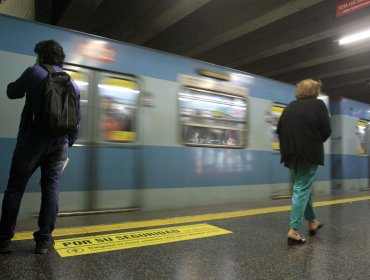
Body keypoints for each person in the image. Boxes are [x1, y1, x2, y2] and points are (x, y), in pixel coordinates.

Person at [0, 40, 80, 254]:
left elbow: (12, 92)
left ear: (41, 56)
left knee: (15, 189)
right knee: (51, 190)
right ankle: (44, 240)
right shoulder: (72, 82)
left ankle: (4, 239)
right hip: (60, 143)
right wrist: (66, 143)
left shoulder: (34, 72)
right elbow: (76, 119)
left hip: (32, 141)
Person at [276, 79, 331, 246]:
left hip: (290, 153)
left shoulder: (290, 106)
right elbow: (326, 130)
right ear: (315, 91)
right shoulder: (319, 105)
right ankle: (293, 231)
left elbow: (279, 130)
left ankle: (312, 221)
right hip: (309, 153)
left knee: (301, 186)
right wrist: (314, 141)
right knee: (301, 188)